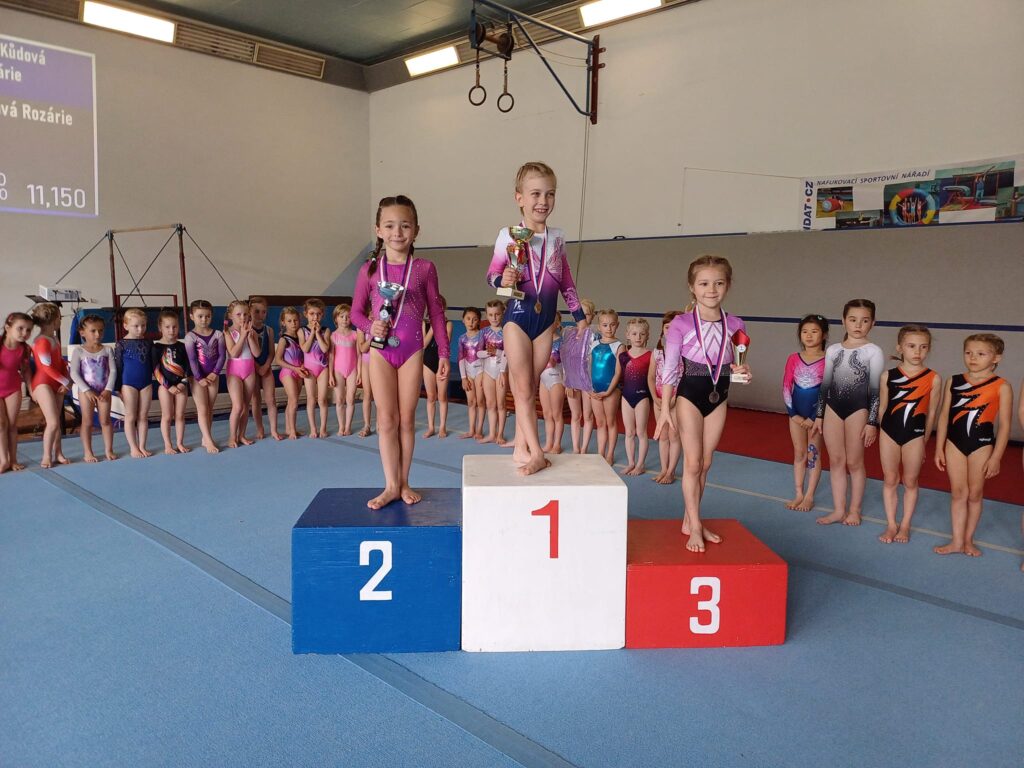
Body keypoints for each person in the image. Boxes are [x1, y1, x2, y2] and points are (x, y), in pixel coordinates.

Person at [486, 162, 588, 475]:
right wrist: (503, 279)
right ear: (519, 197)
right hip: (517, 318)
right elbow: (492, 275)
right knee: (522, 388)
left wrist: (579, 316)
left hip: (545, 323)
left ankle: (521, 446)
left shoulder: (558, 238)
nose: (543, 201)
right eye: (535, 194)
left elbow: (566, 279)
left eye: (549, 194)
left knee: (530, 385)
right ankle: (537, 452)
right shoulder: (508, 235)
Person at [351, 195, 450, 509]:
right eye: (390, 225)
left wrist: (444, 352)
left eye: (405, 225)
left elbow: (436, 312)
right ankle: (390, 485)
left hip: (411, 351)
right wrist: (371, 327)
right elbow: (355, 313)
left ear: (416, 230)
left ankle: (405, 482)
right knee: (386, 420)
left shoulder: (424, 268)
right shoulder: (369, 270)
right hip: (380, 352)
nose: (397, 232)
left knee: (407, 421)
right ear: (378, 230)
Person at [655, 255, 751, 552]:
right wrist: (665, 408)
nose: (711, 290)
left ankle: (690, 519)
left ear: (728, 285)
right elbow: (671, 367)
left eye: (718, 283)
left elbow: (736, 364)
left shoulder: (735, 324)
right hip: (689, 395)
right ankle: (696, 526)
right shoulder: (682, 324)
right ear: (692, 287)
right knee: (693, 462)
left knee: (706, 463)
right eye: (704, 283)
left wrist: (743, 371)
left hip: (719, 395)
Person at [933, 334, 1011, 557]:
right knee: (958, 493)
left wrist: (996, 457)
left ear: (996, 358)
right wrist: (938, 447)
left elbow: (1005, 426)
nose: (973, 358)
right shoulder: (954, 381)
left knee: (975, 494)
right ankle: (957, 541)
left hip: (982, 446)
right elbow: (944, 416)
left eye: (981, 354)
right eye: (968, 353)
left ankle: (968, 540)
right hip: (954, 444)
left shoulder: (1002, 386)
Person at [811, 299, 884, 526]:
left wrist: (872, 422)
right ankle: (838, 509)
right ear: (843, 321)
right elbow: (825, 385)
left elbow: (876, 390)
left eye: (864, 320)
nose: (858, 325)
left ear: (873, 323)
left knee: (854, 462)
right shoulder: (833, 350)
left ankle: (854, 510)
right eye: (853, 320)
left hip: (858, 409)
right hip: (833, 408)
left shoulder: (873, 351)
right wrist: (819, 415)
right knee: (836, 460)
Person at [877, 325, 941, 543]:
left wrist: (924, 441)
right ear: (900, 348)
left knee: (911, 481)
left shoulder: (933, 378)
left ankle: (905, 525)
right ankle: (891, 524)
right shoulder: (888, 376)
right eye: (912, 346)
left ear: (928, 349)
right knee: (890, 479)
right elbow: (883, 408)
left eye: (923, 347)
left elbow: (931, 414)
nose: (917, 352)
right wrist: (882, 432)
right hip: (889, 433)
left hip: (915, 436)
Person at [781, 314, 828, 511]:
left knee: (812, 454)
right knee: (799, 453)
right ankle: (799, 493)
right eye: (805, 332)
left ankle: (809, 496)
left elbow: (827, 391)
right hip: (796, 414)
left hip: (816, 417)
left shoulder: (829, 360)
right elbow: (786, 386)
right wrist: (793, 414)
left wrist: (815, 417)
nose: (809, 336)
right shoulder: (793, 358)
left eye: (814, 331)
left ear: (824, 335)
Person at [30, 303, 72, 468]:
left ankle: (58, 453)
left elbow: (60, 362)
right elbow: (46, 367)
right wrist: (66, 381)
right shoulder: (41, 341)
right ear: (54, 320)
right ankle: (46, 456)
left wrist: (67, 377)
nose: (60, 321)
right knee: (53, 422)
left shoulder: (54, 338)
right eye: (60, 318)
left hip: (57, 383)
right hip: (43, 383)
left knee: (56, 423)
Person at [70, 314, 116, 462]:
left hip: (104, 390)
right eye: (93, 331)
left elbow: (113, 371)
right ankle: (88, 452)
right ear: (82, 332)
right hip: (86, 392)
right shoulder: (79, 351)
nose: (98, 334)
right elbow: (74, 373)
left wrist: (108, 389)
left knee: (105, 421)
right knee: (87, 422)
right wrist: (86, 390)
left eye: (101, 331)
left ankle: (109, 449)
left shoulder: (107, 350)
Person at [184, 299, 225, 454]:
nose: (204, 319)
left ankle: (205, 437)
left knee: (209, 408)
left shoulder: (218, 334)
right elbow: (192, 359)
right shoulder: (190, 337)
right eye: (200, 316)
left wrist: (215, 373)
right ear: (192, 316)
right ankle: (208, 440)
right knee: (202, 408)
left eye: (207, 316)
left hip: (213, 375)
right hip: (197, 377)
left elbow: (222, 356)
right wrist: (199, 377)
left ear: (211, 316)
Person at [114, 308, 154, 459]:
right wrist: (118, 388)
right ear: (125, 326)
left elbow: (153, 364)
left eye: (143, 325)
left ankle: (142, 445)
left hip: (146, 383)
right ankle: (133, 447)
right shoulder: (121, 344)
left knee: (143, 416)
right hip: (128, 384)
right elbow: (118, 367)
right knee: (130, 416)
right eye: (136, 326)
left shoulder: (148, 342)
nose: (140, 329)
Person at [650, 310, 683, 484]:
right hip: (659, 399)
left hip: (676, 399)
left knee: (674, 435)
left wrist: (673, 400)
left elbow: (685, 378)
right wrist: (655, 398)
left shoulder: (684, 353)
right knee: (662, 435)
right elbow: (650, 377)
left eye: (674, 328)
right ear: (662, 330)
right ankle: (663, 469)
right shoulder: (657, 352)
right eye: (667, 327)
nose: (670, 331)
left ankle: (671, 471)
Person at [152, 308, 191, 455]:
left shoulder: (182, 346)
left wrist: (183, 383)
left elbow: (188, 367)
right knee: (167, 416)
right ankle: (168, 445)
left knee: (180, 415)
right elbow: (156, 370)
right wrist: (168, 386)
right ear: (160, 327)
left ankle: (180, 443)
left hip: (181, 386)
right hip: (165, 387)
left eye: (174, 327)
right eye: (167, 327)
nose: (171, 330)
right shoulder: (156, 348)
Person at [224, 300, 260, 448]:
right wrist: (243, 336)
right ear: (231, 316)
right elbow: (234, 353)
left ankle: (242, 435)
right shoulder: (228, 332)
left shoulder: (252, 332)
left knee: (246, 406)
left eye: (245, 314)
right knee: (238, 406)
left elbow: (256, 353)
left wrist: (250, 337)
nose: (242, 317)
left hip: (249, 370)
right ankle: (232, 436)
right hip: (234, 372)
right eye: (238, 314)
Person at [620, 317, 653, 476]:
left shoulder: (651, 356)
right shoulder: (623, 356)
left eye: (642, 334)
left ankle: (640, 464)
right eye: (634, 334)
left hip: (642, 397)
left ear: (647, 335)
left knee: (641, 432)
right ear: (628, 335)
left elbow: (653, 378)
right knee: (629, 432)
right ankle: (631, 462)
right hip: (626, 397)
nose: (638, 337)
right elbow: (618, 376)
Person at [0, 312, 32, 473]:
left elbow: (25, 371)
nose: (24, 333)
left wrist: (31, 389)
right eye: (20, 328)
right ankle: (3, 459)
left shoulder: (24, 349)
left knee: (12, 425)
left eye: (28, 330)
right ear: (7, 328)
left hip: (13, 389)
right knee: (1, 424)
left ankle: (13, 460)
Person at [591, 309, 623, 466]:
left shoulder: (619, 346)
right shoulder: (594, 344)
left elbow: (618, 372)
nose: (608, 328)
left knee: (611, 422)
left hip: (611, 390)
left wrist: (609, 391)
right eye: (605, 325)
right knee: (600, 423)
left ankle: (610, 454)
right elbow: (588, 367)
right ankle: (600, 453)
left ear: (617, 325)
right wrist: (589, 388)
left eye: (612, 325)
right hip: (594, 390)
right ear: (599, 327)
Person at [248, 296, 281, 441]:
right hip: (252, 368)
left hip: (266, 368)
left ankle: (273, 430)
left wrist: (266, 366)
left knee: (271, 400)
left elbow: (271, 352)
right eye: (256, 311)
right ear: (249, 311)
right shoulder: (247, 330)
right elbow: (248, 352)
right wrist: (257, 367)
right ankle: (260, 428)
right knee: (256, 399)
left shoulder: (269, 330)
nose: (260, 315)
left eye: (263, 312)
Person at [478, 300, 509, 445]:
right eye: (490, 315)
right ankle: (492, 433)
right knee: (490, 403)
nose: (494, 318)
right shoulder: (483, 332)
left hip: (501, 371)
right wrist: (487, 352)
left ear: (502, 313)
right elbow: (477, 353)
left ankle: (500, 434)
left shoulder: (507, 331)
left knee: (501, 404)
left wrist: (502, 370)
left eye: (497, 314)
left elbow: (508, 353)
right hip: (487, 371)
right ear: (486, 315)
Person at [567, 298, 596, 453]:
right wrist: (568, 382)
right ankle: (576, 448)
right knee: (576, 415)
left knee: (588, 415)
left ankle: (584, 448)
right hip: (572, 379)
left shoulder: (595, 335)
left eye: (587, 314)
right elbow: (566, 359)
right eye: (581, 315)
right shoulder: (569, 334)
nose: (583, 318)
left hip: (588, 380)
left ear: (593, 316)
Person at [274, 307, 308, 440]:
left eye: (295, 320)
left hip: (298, 371)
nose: (293, 323)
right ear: (283, 322)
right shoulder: (284, 339)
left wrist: (302, 366)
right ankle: (292, 430)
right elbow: (278, 360)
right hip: (288, 372)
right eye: (289, 321)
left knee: (292, 401)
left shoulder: (301, 337)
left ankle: (289, 428)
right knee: (293, 400)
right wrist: (295, 368)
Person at [299, 298, 331, 438]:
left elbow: (325, 349)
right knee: (311, 399)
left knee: (322, 399)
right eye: (312, 314)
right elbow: (305, 349)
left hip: (323, 368)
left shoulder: (326, 330)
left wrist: (318, 333)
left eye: (318, 314)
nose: (315, 317)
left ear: (322, 314)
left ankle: (323, 428)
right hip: (309, 369)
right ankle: (313, 428)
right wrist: (312, 333)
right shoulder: (302, 331)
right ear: (306, 314)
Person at [422, 295, 452, 439]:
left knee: (442, 396)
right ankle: (431, 427)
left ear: (444, 308)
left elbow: (445, 343)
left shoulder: (448, 324)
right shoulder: (424, 324)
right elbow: (423, 344)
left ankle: (442, 426)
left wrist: (438, 324)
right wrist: (433, 327)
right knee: (431, 396)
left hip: (441, 362)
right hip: (427, 362)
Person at [329, 303, 359, 437]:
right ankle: (341, 426)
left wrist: (359, 372)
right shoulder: (333, 336)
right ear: (336, 318)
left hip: (352, 370)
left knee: (350, 399)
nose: (345, 319)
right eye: (342, 316)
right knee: (340, 399)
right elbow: (331, 357)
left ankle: (348, 427)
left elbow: (359, 355)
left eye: (348, 316)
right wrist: (330, 374)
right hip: (338, 370)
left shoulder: (355, 335)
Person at [457, 306, 485, 440]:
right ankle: (471, 430)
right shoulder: (461, 338)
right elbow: (461, 358)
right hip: (468, 372)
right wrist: (463, 378)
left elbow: (486, 354)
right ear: (463, 320)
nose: (471, 322)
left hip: (480, 370)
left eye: (474, 319)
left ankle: (479, 430)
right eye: (468, 319)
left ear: (479, 321)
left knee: (480, 401)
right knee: (471, 402)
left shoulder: (482, 335)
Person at [539, 313, 565, 454]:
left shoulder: (562, 342)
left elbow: (566, 363)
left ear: (558, 324)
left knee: (556, 414)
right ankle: (549, 443)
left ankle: (557, 444)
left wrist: (555, 360)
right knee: (547, 414)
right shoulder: (541, 342)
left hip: (556, 380)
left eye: (552, 321)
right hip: (543, 380)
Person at [356, 327, 374, 438]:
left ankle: (381, 423)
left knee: (380, 396)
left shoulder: (382, 322)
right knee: (367, 395)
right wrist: (372, 336)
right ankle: (367, 425)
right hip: (366, 362)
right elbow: (362, 349)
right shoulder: (361, 326)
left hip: (381, 361)